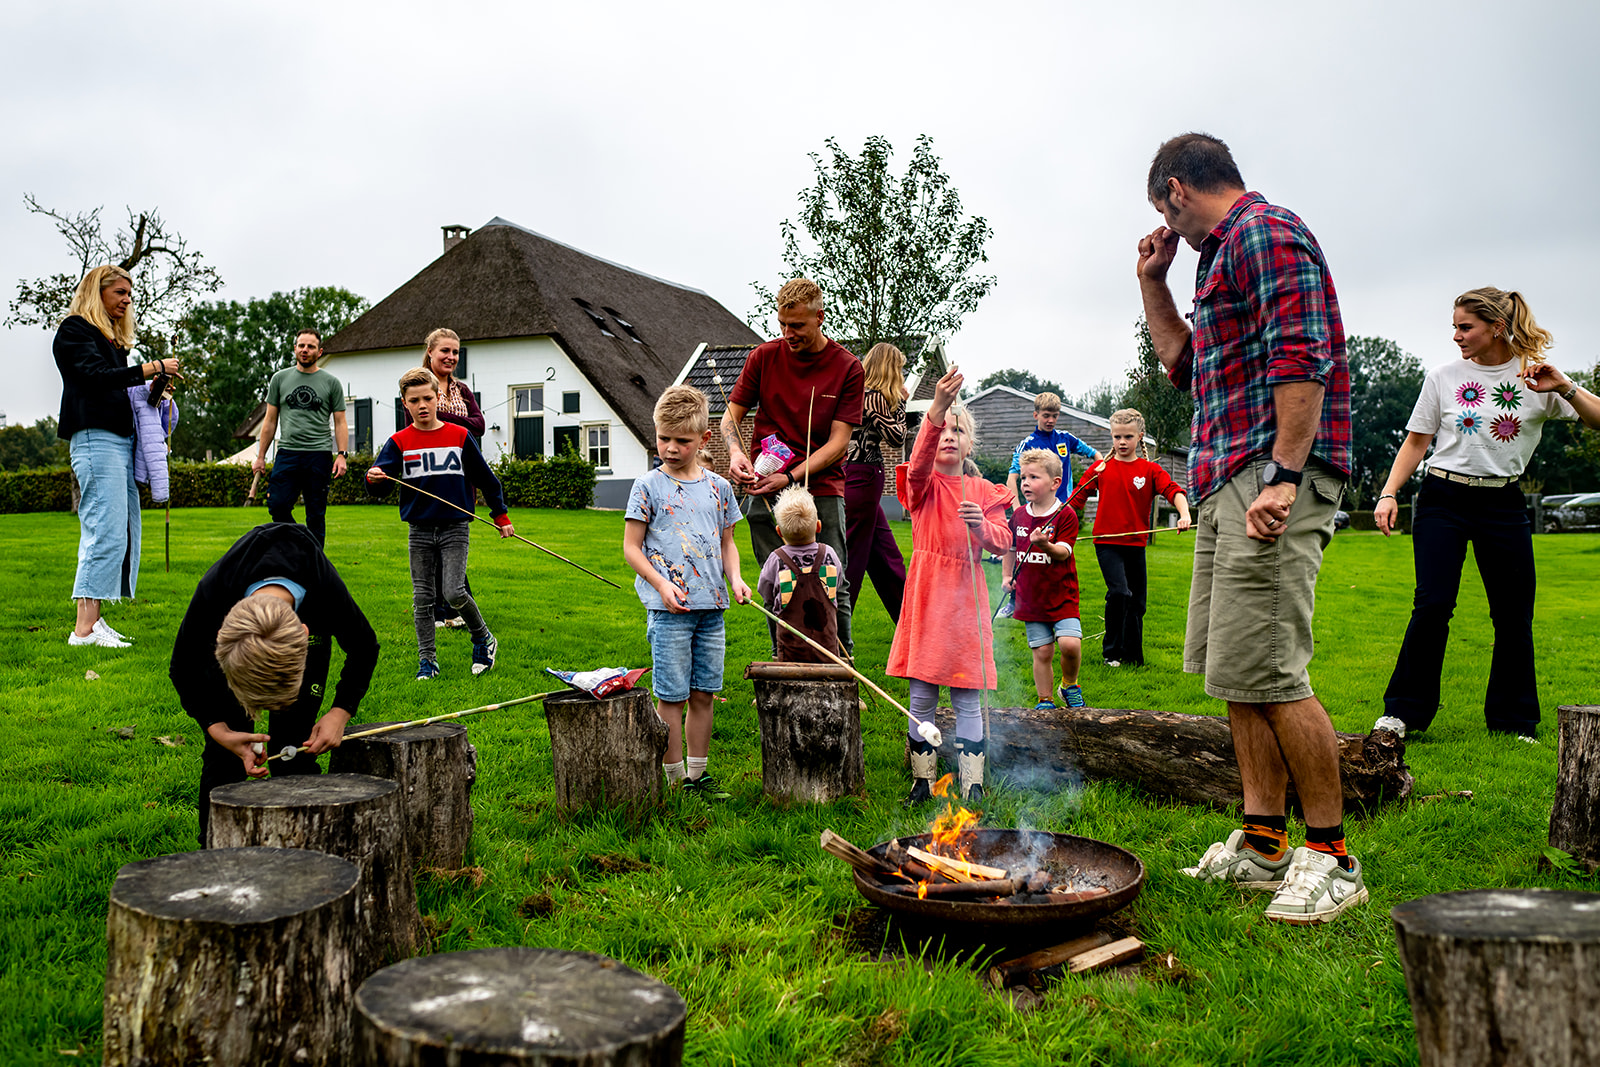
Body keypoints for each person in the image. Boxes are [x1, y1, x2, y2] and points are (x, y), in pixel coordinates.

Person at [1137, 132, 1362, 924]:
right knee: (1236, 667)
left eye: (1164, 214)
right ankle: (1265, 839)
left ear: (1174, 190)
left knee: (1272, 668)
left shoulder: (1265, 233)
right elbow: (1184, 368)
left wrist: (1286, 476)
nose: (1169, 228)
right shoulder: (1215, 254)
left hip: (1271, 477)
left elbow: (1303, 358)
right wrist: (1152, 283)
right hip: (1226, 475)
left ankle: (1333, 855)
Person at [1373, 288, 1600, 740]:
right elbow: (1417, 441)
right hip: (1443, 499)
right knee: (1433, 604)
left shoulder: (1536, 378)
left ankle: (1514, 721)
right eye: (1454, 326)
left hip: (1503, 503)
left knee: (1513, 613)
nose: (1456, 335)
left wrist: (1567, 387)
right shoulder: (1442, 376)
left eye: (1465, 327)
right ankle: (1402, 713)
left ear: (1496, 326)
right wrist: (1387, 493)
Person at [170, 522, 380, 846]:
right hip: (241, 642)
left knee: (293, 745)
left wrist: (340, 711)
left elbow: (364, 646)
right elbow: (182, 668)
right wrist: (217, 728)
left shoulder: (325, 592)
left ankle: (308, 841)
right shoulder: (214, 593)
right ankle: (213, 846)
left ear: (305, 633)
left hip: (301, 629)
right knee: (225, 750)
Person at [889, 366, 1012, 803]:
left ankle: (972, 784)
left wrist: (982, 528)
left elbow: (1003, 541)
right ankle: (922, 782)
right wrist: (937, 408)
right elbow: (919, 459)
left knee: (966, 696)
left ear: (970, 443)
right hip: (927, 597)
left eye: (958, 430)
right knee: (920, 693)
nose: (948, 435)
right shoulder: (920, 485)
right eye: (943, 429)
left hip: (965, 600)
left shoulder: (983, 490)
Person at [721, 278, 864, 654]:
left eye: (797, 325)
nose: (788, 334)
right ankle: (783, 668)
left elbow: (839, 443)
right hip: (766, 490)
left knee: (833, 580)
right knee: (777, 579)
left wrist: (790, 476)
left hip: (821, 489)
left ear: (819, 317)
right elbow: (729, 418)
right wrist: (737, 453)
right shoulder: (763, 357)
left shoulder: (848, 367)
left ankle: (841, 672)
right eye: (782, 324)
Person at [623, 385, 751, 799]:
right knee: (672, 696)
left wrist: (736, 579)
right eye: (664, 439)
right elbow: (631, 547)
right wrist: (660, 584)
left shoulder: (720, 488)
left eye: (682, 441)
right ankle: (675, 780)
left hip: (711, 608)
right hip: (669, 612)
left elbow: (728, 543)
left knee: (703, 694)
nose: (671, 448)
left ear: (704, 440)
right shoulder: (647, 486)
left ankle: (699, 775)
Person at [53, 265, 183, 648]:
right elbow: (94, 378)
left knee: (120, 531)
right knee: (103, 529)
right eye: (120, 292)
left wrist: (151, 387)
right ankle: (83, 631)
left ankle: (94, 622)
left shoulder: (112, 342)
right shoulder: (74, 331)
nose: (127, 300)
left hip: (118, 440)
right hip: (95, 439)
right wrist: (151, 367)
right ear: (99, 290)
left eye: (130, 294)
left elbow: (119, 387)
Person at [367, 367, 514, 680]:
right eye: (414, 400)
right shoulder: (398, 442)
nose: (422, 405)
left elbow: (487, 479)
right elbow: (380, 483)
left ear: (438, 399)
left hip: (454, 528)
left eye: (427, 398)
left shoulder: (458, 436)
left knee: (454, 591)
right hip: (419, 530)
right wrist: (373, 479)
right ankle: (428, 663)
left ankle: (483, 639)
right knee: (422, 599)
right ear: (404, 405)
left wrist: (500, 515)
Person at [1067, 409, 1193, 667]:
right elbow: (1074, 501)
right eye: (1117, 437)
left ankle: (1134, 657)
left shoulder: (1150, 470)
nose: (1122, 442)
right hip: (1107, 543)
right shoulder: (1101, 468)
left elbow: (1174, 491)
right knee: (1120, 593)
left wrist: (1184, 513)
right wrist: (1054, 521)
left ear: (1140, 437)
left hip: (1135, 545)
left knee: (1137, 602)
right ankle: (1111, 653)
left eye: (1128, 436)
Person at [1002, 449, 1084, 710]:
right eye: (1023, 477)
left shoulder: (1065, 515)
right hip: (1031, 598)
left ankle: (1069, 685)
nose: (1025, 483)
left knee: (1070, 645)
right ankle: (1045, 700)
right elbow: (1011, 549)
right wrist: (1007, 575)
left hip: (1062, 596)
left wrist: (1045, 545)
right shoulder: (1019, 517)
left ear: (1055, 483)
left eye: (1033, 477)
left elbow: (1063, 553)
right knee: (1043, 651)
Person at [253, 329, 349, 548]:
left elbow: (341, 422)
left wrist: (342, 455)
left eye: (311, 347)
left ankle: (314, 564)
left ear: (320, 351)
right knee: (277, 505)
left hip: (319, 455)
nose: (305, 350)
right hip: (288, 452)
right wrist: (260, 456)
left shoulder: (331, 382)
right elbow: (269, 421)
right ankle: (300, 545)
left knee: (316, 514)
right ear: (295, 348)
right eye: (301, 346)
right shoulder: (280, 379)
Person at [420, 328, 485, 631]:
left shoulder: (462, 390)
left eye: (455, 352)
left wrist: (444, 418)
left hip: (462, 475)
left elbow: (480, 425)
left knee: (452, 539)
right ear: (430, 352)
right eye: (444, 351)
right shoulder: (418, 385)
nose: (450, 357)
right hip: (430, 473)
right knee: (435, 543)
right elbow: (416, 425)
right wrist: (457, 424)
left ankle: (447, 608)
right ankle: (448, 608)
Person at [841, 343, 909, 624]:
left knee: (886, 556)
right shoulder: (876, 397)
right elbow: (897, 438)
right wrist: (903, 403)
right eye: (900, 369)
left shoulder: (855, 394)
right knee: (854, 557)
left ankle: (909, 623)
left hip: (855, 475)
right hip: (864, 476)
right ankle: (837, 628)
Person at [757, 485, 843, 662]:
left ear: (779, 532)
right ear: (818, 526)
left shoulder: (776, 559)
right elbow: (838, 584)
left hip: (791, 649)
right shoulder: (829, 554)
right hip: (827, 648)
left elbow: (765, 591)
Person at [1004, 392, 1102, 507]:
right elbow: (1011, 479)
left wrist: (1099, 474)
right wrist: (1017, 511)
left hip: (1064, 507)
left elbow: (1095, 454)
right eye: (1046, 416)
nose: (1050, 420)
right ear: (1036, 415)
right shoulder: (1027, 444)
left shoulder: (1065, 438)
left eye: (1054, 416)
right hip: (1038, 511)